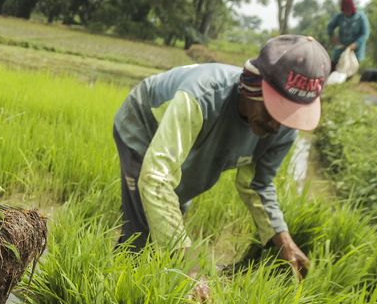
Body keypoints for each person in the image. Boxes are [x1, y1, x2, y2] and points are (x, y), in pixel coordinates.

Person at [114, 35, 331, 281]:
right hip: (145, 124)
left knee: (169, 213)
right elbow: (156, 179)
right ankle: (121, 285)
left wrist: (282, 238)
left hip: (199, 137)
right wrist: (189, 267)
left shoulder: (283, 128)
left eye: (288, 115)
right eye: (273, 109)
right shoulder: (201, 96)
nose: (275, 125)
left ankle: (155, 279)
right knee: (142, 224)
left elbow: (257, 184)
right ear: (252, 88)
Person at [327, 0, 370, 68]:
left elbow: (365, 33)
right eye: (345, 11)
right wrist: (332, 36)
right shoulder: (339, 16)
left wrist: (356, 44)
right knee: (333, 67)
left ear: (352, 9)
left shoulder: (361, 17)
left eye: (348, 11)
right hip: (341, 47)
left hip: (356, 50)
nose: (346, 13)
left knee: (350, 69)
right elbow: (330, 27)